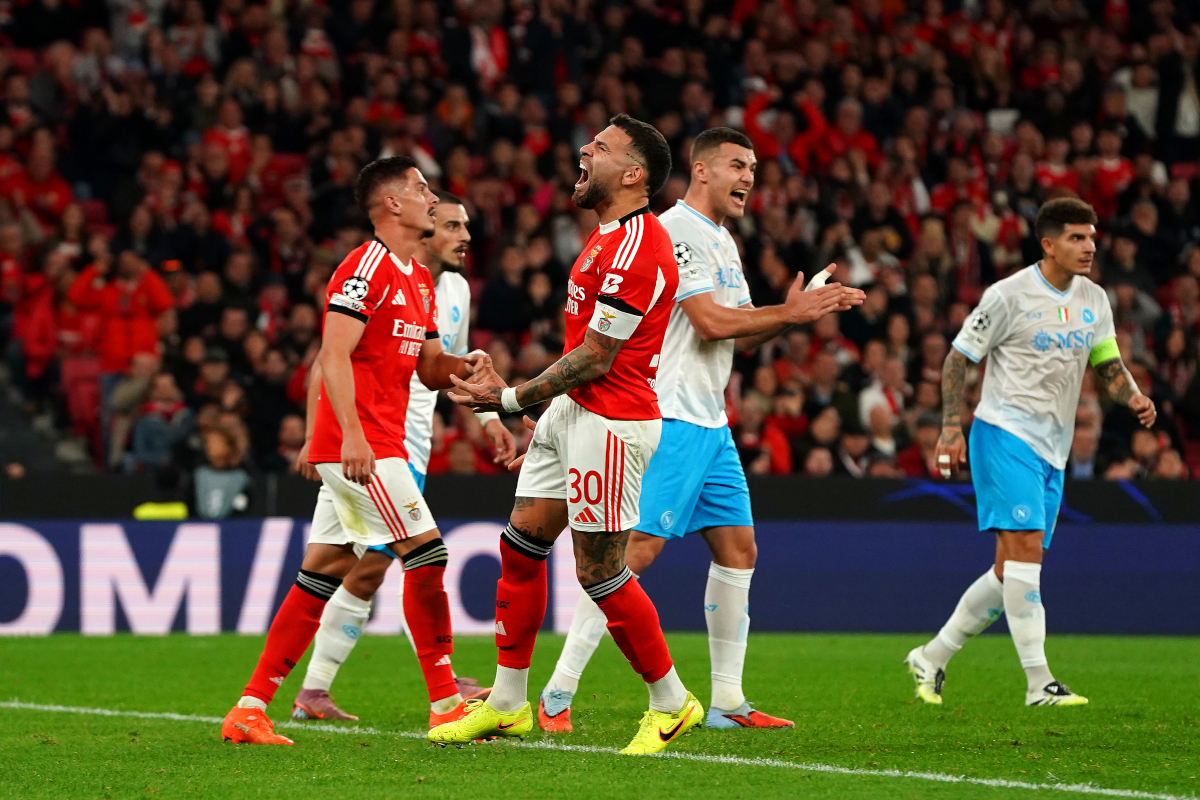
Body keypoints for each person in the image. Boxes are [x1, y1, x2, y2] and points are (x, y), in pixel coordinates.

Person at [534, 127, 862, 733]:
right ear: (702, 170)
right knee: (631, 554)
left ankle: (728, 704)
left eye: (755, 169)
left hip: (712, 422)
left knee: (738, 550)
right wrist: (789, 312)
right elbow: (710, 322)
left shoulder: (722, 241)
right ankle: (557, 695)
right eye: (739, 165)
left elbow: (741, 327)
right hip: (671, 413)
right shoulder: (675, 230)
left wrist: (795, 313)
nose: (750, 179)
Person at [428, 115, 699, 756]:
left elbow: (600, 355)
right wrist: (531, 400)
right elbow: (583, 354)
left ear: (634, 174)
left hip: (612, 421)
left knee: (599, 572)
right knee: (521, 545)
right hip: (575, 412)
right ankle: (507, 702)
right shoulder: (605, 239)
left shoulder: (639, 243)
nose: (585, 149)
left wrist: (512, 396)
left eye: (601, 148)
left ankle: (670, 702)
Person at [220, 156, 491, 745]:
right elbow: (333, 354)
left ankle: (251, 707)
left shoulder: (419, 278)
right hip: (363, 446)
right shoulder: (361, 269)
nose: (431, 198)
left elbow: (429, 367)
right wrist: (349, 434)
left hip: (377, 442)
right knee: (427, 554)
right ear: (392, 204)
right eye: (421, 189)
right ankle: (446, 703)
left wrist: (465, 370)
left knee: (323, 571)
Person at [906, 198, 1156, 707]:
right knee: (1024, 559)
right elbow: (958, 359)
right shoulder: (1008, 296)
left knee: (1010, 571)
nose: (1089, 247)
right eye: (1076, 238)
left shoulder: (1095, 299)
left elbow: (1107, 362)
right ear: (1049, 244)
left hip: (1053, 448)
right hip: (1002, 434)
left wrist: (1131, 394)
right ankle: (1039, 682)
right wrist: (951, 425)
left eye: (1091, 237)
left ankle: (931, 656)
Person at [292, 191, 515, 721]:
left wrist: (489, 418)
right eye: (454, 225)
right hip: (372, 441)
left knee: (352, 563)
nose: (465, 237)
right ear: (425, 227)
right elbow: (329, 361)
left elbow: (445, 367)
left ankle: (305, 691)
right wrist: (314, 435)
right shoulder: (382, 273)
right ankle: (441, 681)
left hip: (410, 439)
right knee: (399, 558)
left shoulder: (454, 289)